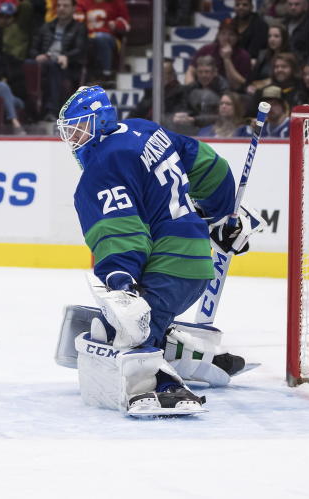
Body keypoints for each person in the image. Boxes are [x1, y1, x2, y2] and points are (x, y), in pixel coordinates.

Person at [55, 85, 251, 417]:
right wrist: (221, 216)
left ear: (100, 121)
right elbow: (210, 167)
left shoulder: (102, 166)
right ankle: (194, 354)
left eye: (79, 128)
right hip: (194, 263)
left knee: (121, 331)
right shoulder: (144, 129)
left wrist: (121, 278)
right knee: (125, 324)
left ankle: (163, 384)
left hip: (168, 267)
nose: (74, 139)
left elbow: (121, 230)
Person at [29, 0, 88, 119]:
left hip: (68, 66)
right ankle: (30, 113)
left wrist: (67, 56)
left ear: (73, 9)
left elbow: (80, 49)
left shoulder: (79, 27)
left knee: (54, 66)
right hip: (45, 63)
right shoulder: (46, 27)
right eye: (59, 6)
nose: (61, 9)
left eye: (65, 6)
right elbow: (33, 49)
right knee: (28, 65)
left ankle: (53, 111)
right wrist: (38, 56)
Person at [74, 0, 130, 79]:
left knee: (100, 38)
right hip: (87, 37)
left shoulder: (115, 0)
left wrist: (116, 24)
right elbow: (77, 17)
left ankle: (106, 73)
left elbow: (125, 23)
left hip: (109, 39)